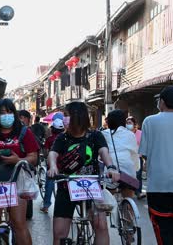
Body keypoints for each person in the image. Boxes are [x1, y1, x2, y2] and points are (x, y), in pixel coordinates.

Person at [47, 102, 120, 245]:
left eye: (66, 116)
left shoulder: (95, 136)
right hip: (66, 187)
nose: (64, 119)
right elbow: (52, 154)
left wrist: (111, 167)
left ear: (77, 116)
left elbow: (104, 152)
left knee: (101, 226)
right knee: (59, 233)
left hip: (91, 186)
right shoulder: (62, 138)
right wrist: (53, 167)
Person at [0, 99, 39, 245]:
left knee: (19, 224)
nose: (6, 115)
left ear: (14, 114)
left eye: (9, 112)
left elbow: (33, 157)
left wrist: (18, 160)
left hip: (17, 182)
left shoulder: (24, 132)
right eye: (3, 112)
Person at [139, 85, 173, 244]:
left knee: (163, 230)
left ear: (162, 102)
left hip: (158, 185)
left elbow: (145, 154)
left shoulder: (150, 121)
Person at [102, 110, 139, 198]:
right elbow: (134, 154)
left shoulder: (103, 134)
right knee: (128, 198)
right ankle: (129, 209)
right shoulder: (130, 134)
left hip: (111, 171)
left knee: (109, 200)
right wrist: (136, 168)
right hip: (128, 171)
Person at [40, 118, 65, 213]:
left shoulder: (49, 139)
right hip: (63, 166)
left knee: (49, 186)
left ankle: (46, 206)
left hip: (52, 166)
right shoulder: (65, 138)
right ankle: (61, 206)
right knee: (62, 187)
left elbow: (46, 152)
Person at [126, 116, 146, 199]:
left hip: (137, 157)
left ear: (135, 124)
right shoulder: (125, 133)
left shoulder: (140, 133)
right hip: (127, 157)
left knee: (138, 175)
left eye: (130, 123)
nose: (128, 125)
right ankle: (129, 190)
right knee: (128, 174)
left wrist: (142, 155)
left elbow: (143, 144)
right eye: (127, 123)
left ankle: (138, 192)